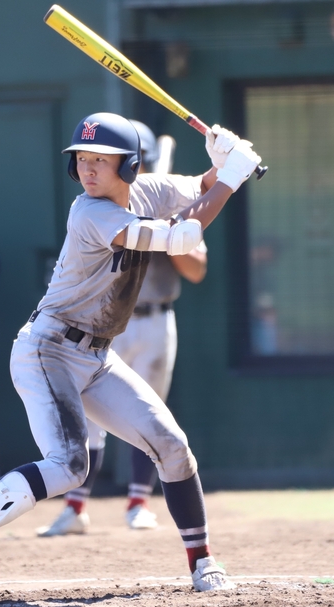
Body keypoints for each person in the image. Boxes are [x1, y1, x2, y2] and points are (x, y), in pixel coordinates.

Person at [0, 112, 261, 593]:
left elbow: (199, 186)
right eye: (82, 159)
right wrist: (231, 178)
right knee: (69, 465)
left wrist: (221, 162)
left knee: (174, 448)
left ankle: (203, 562)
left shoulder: (149, 190)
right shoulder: (90, 212)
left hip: (97, 356)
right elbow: (182, 236)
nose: (89, 170)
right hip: (49, 349)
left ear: (130, 167)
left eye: (102, 160)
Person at [37, 120, 208, 537]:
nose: (92, 168)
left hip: (155, 316)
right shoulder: (98, 208)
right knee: (92, 417)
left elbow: (197, 267)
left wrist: (167, 234)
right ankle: (76, 508)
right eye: (87, 160)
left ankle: (138, 502)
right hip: (108, 325)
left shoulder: (160, 198)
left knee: (149, 415)